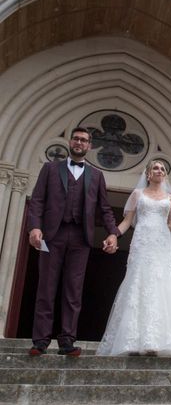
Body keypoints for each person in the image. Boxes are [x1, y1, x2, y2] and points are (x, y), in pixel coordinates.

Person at [27, 127, 120, 357]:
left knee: (73, 290)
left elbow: (104, 208)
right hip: (53, 235)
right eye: (76, 139)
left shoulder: (96, 176)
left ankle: (67, 340)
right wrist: (34, 227)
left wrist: (113, 233)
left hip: (81, 238)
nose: (79, 143)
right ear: (70, 142)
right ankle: (40, 341)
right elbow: (37, 200)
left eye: (84, 140)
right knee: (46, 287)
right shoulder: (50, 169)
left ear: (89, 146)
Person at [96, 160, 171, 358]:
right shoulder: (138, 194)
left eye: (162, 169)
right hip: (142, 243)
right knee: (138, 283)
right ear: (148, 173)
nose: (159, 171)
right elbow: (127, 222)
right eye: (155, 168)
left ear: (165, 175)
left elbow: (169, 225)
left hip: (161, 244)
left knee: (160, 284)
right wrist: (113, 235)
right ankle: (133, 339)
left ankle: (156, 340)